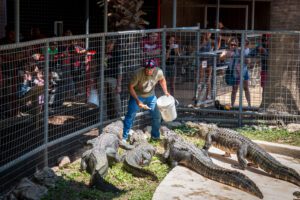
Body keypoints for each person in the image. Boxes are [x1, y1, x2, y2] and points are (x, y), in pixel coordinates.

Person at [122, 59, 169, 142]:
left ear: (154, 68)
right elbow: (130, 87)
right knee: (130, 115)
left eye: (151, 69)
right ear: (144, 68)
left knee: (157, 116)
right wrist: (137, 101)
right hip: (137, 95)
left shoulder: (159, 72)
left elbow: (162, 80)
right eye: (147, 69)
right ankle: (124, 138)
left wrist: (166, 92)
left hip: (151, 96)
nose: (149, 71)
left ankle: (155, 136)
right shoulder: (137, 74)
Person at [220, 37, 251, 108]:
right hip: (234, 73)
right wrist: (226, 55)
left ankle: (249, 105)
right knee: (234, 90)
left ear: (237, 45)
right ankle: (232, 105)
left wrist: (246, 60)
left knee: (246, 88)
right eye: (231, 44)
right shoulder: (227, 51)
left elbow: (249, 60)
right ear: (229, 45)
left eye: (235, 45)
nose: (233, 46)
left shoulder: (240, 51)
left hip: (243, 71)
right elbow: (221, 57)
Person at [104, 40, 122, 119]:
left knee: (116, 98)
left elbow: (120, 70)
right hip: (101, 78)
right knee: (102, 99)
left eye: (111, 43)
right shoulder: (100, 52)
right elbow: (94, 66)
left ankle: (119, 117)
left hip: (113, 78)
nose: (109, 45)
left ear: (114, 45)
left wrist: (119, 85)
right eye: (108, 43)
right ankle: (103, 119)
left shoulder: (117, 54)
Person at [196, 32, 213, 102]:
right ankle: (197, 95)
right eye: (206, 33)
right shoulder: (201, 41)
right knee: (201, 77)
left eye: (208, 33)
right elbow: (197, 49)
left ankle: (208, 96)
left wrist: (219, 40)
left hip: (209, 61)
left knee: (208, 78)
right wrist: (202, 44)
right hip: (204, 61)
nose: (207, 35)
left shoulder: (211, 41)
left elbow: (216, 47)